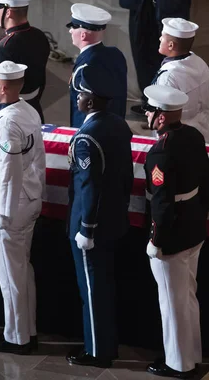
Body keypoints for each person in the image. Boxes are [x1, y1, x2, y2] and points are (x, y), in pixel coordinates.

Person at [142, 85, 209, 379]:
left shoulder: (161, 150)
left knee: (172, 302)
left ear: (160, 118)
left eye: (149, 111)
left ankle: (178, 364)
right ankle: (191, 355)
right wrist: (198, 216)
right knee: (187, 296)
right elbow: (207, 182)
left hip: (171, 235)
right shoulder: (194, 136)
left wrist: (157, 240)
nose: (146, 115)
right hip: (193, 225)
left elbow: (161, 202)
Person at [66, 65, 134, 368]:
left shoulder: (87, 137)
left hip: (93, 226)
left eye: (80, 94)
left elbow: (89, 186)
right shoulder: (119, 125)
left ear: (90, 101)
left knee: (92, 290)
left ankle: (98, 351)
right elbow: (125, 178)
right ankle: (106, 344)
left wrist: (86, 228)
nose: (76, 98)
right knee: (104, 286)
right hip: (115, 218)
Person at [0, 61, 46, 355]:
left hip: (11, 204)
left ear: (5, 87)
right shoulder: (28, 110)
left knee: (11, 275)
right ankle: (27, 331)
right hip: (30, 198)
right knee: (22, 269)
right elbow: (37, 162)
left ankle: (16, 337)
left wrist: (2, 212)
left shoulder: (8, 122)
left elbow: (10, 169)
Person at [120, 0, 194, 116]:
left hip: (170, 0)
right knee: (141, 52)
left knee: (170, 56)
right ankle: (149, 101)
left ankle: (167, 108)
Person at [0, 0, 50, 123]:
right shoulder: (40, 36)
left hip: (10, 118)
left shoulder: (3, 49)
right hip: (34, 110)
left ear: (8, 12)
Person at [149, 18, 209, 143]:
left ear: (171, 45)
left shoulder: (168, 76)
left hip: (176, 141)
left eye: (162, 37)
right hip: (202, 133)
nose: (159, 39)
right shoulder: (201, 64)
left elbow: (163, 116)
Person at [67, 3, 128, 128]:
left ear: (83, 35)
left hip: (90, 130)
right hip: (116, 125)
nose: (70, 30)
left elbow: (85, 110)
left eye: (73, 27)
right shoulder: (115, 54)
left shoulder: (85, 67)